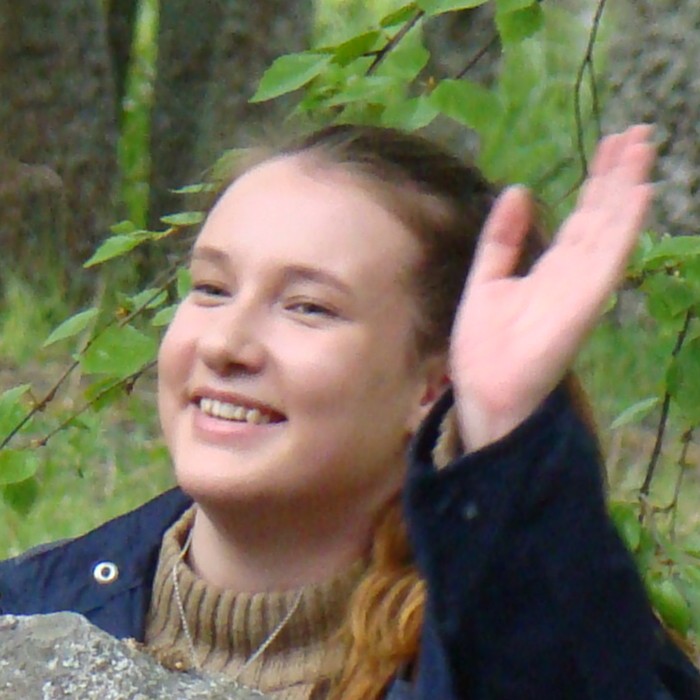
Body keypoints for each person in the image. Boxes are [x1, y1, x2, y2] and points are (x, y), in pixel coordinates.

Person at [0, 123, 697, 700]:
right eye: (211, 288)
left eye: (308, 307)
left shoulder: (514, 656)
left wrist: (506, 448)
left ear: (432, 387)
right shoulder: (27, 613)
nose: (225, 344)